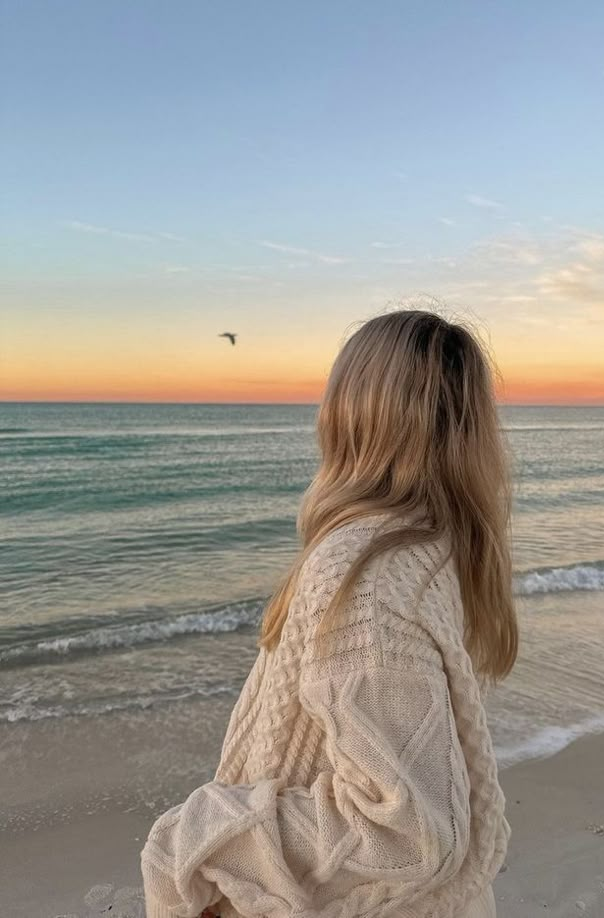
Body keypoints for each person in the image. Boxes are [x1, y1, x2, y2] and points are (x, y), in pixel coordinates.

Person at [140, 307, 518, 918]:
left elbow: (408, 835)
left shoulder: (365, 573)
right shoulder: (434, 545)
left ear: (349, 410)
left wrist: (199, 836)